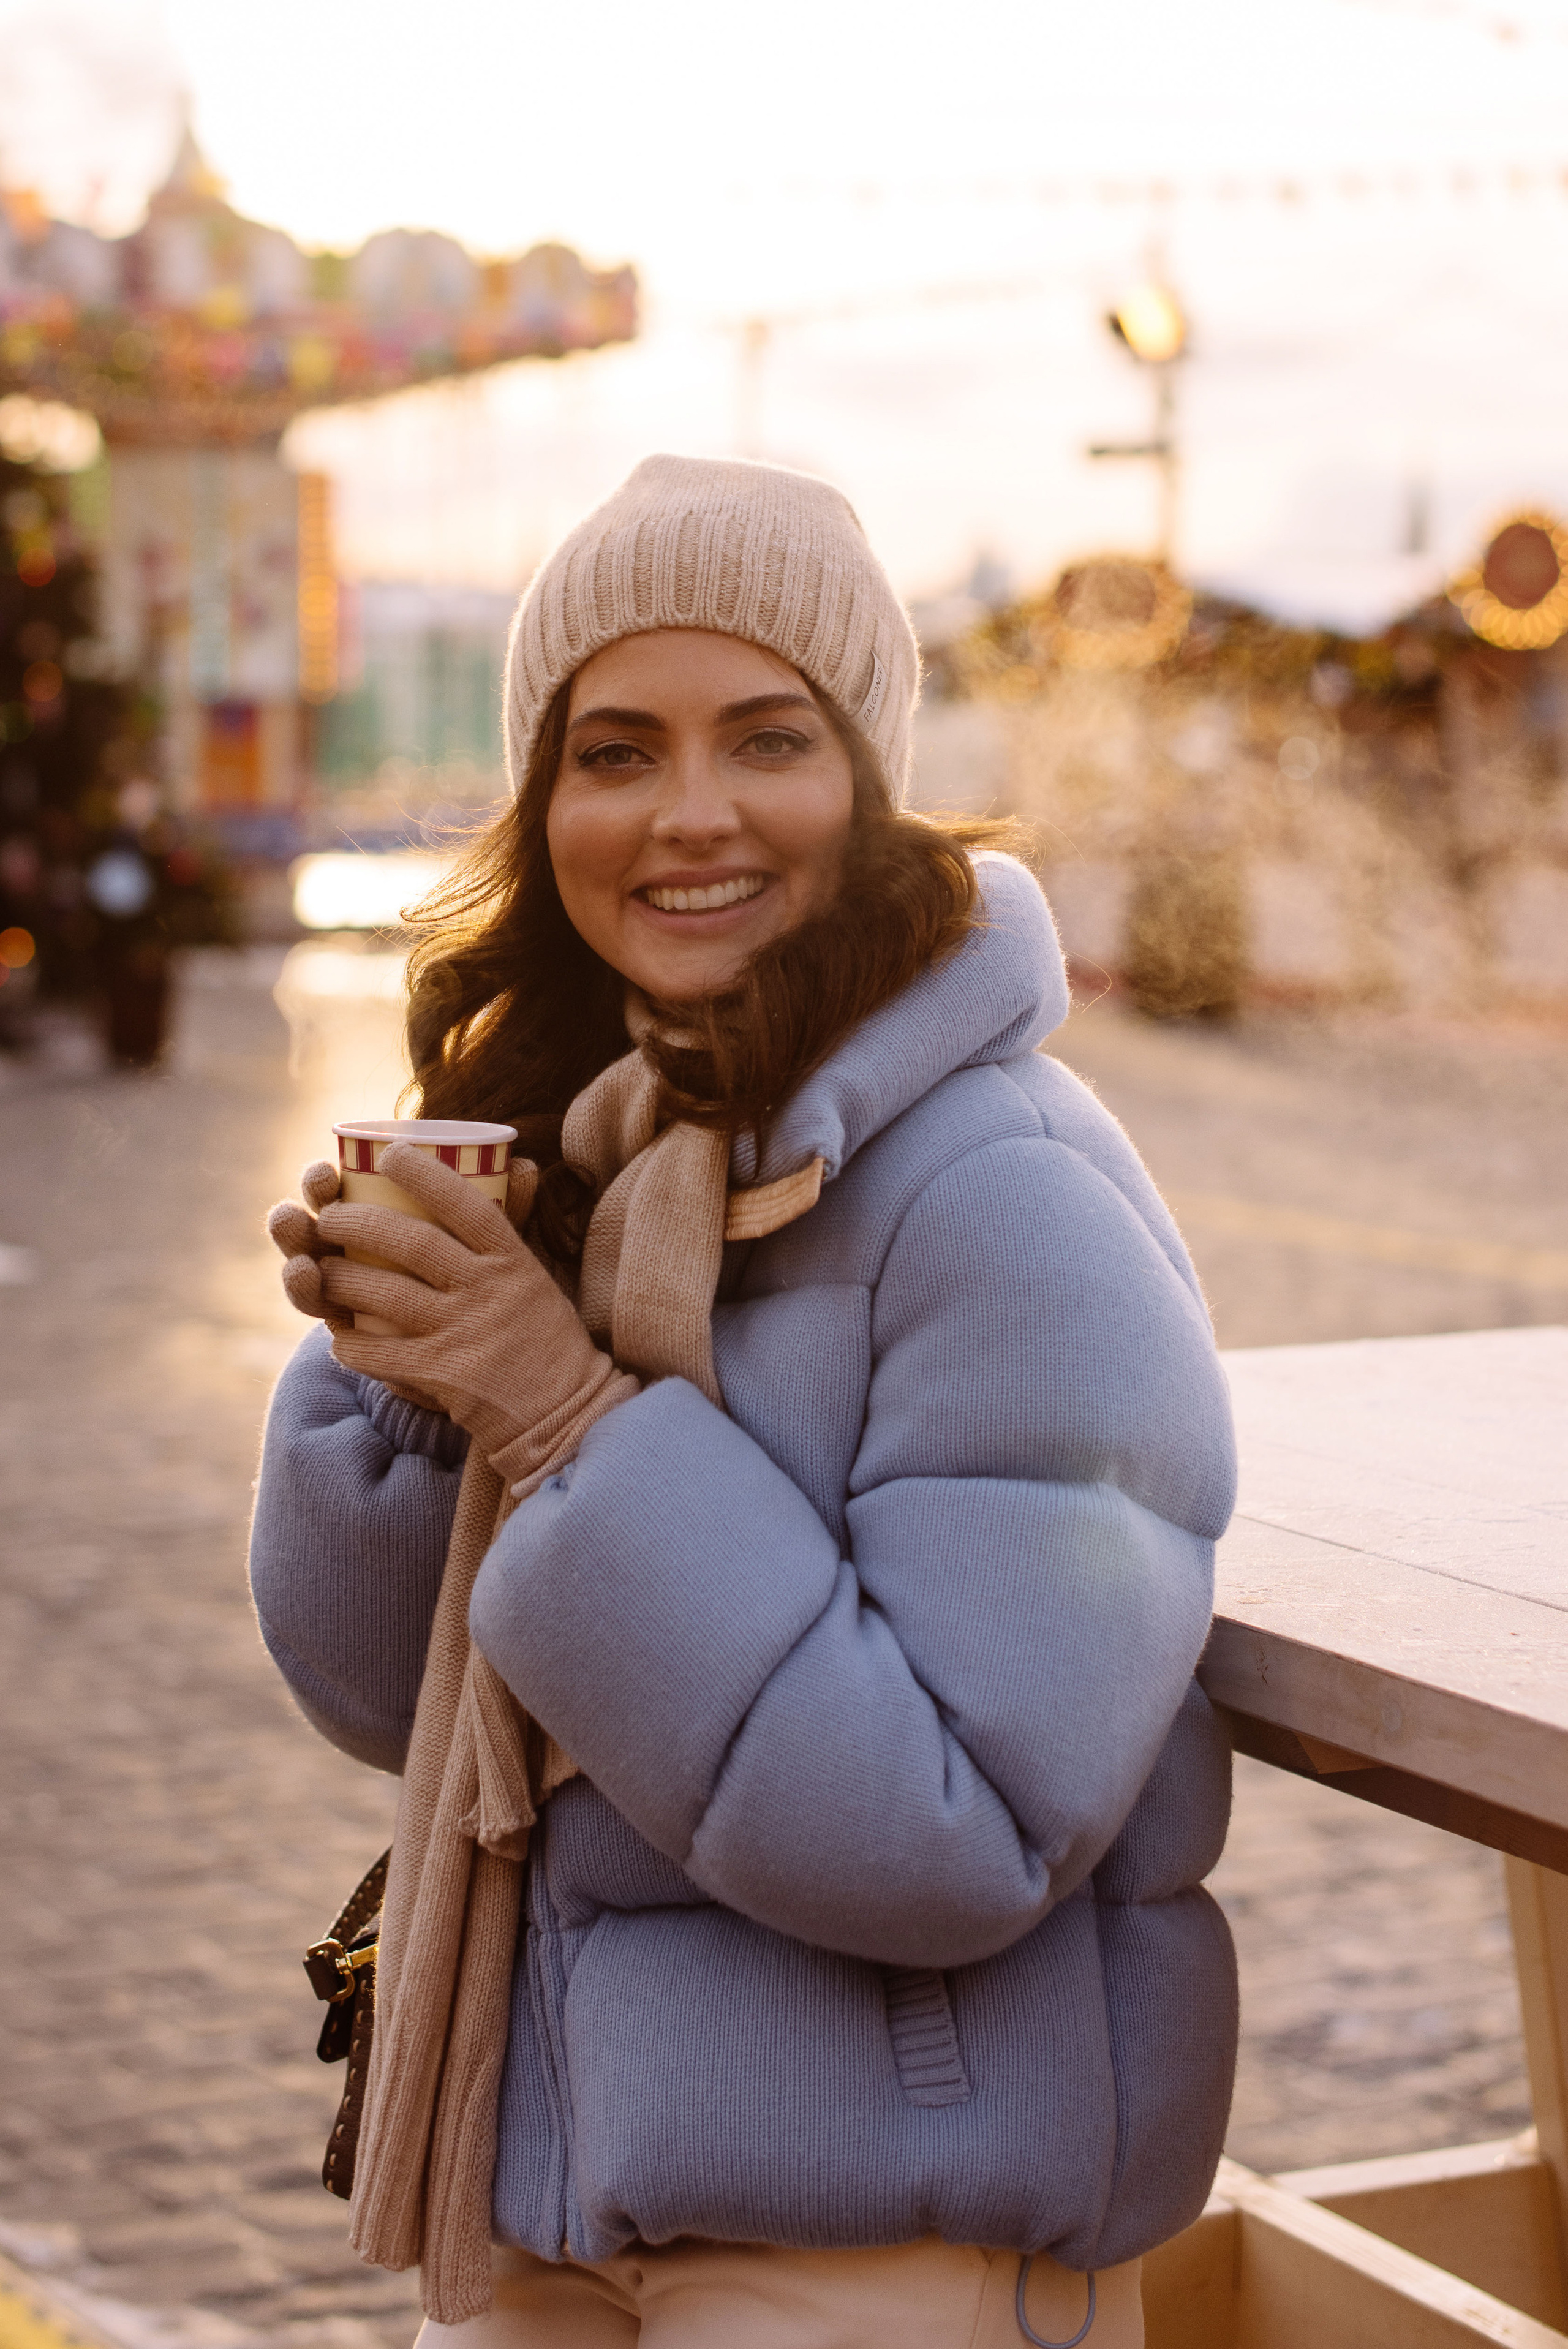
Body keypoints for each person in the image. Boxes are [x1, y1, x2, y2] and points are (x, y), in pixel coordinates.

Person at [251, 454, 1237, 2349]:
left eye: (764, 739)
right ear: (544, 804)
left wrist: (564, 1417)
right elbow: (389, 1699)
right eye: (613, 751)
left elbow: (960, 1824)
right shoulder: (605, 1148)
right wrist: (416, 1380)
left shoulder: (1005, 1196)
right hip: (555, 2189)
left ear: (870, 783)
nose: (686, 813)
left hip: (881, 2252)